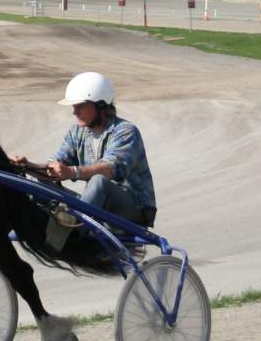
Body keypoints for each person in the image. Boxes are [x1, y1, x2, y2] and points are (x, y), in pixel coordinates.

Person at [16, 71, 156, 230]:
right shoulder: (77, 133)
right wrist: (28, 166)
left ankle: (68, 233)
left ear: (101, 105)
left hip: (134, 209)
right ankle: (44, 227)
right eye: (74, 107)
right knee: (39, 181)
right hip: (96, 204)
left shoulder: (126, 131)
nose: (74, 112)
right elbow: (56, 164)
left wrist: (72, 171)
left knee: (99, 181)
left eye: (80, 106)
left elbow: (111, 168)